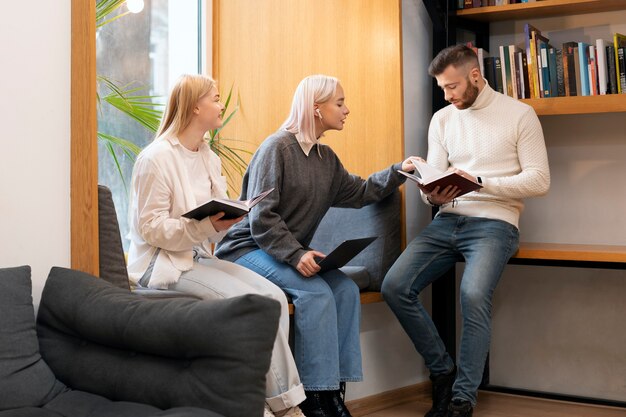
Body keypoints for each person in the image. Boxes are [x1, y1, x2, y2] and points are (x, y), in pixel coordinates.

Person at [215, 74, 417, 417]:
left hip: (279, 252)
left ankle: (334, 393)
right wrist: (296, 255)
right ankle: (313, 397)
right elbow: (261, 218)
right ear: (316, 108)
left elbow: (361, 191)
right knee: (316, 293)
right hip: (246, 250)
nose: (346, 109)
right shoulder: (276, 148)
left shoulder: (325, 158)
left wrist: (401, 171)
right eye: (339, 103)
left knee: (345, 291)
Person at [381, 44, 551, 417]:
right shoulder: (443, 119)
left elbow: (539, 180)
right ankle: (442, 371)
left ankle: (462, 400)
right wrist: (432, 194)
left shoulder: (520, 115)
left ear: (475, 76)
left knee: (473, 294)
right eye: (443, 88)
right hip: (448, 219)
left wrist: (478, 181)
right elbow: (434, 184)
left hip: (496, 223)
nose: (448, 95)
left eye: (453, 87)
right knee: (394, 286)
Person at [126, 74, 306, 417]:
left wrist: (228, 220)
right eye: (216, 98)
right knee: (252, 306)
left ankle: (261, 398)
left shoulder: (208, 156)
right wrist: (207, 225)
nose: (222, 105)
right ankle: (286, 408)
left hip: (195, 256)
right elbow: (149, 229)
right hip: (161, 263)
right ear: (196, 106)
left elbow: (213, 223)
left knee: (275, 298)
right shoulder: (156, 158)